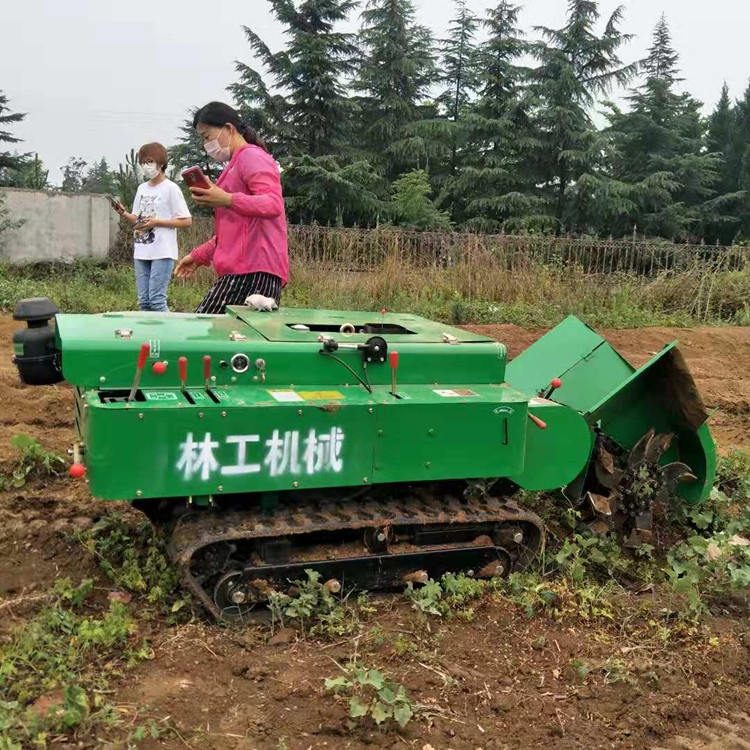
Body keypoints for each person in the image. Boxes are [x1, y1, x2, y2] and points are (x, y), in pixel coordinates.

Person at [173, 102, 289, 314]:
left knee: (208, 332)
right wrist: (199, 256)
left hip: (253, 271)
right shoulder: (236, 164)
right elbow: (234, 231)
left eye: (207, 137)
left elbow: (273, 203)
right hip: (245, 270)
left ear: (229, 128)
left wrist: (226, 199)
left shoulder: (251, 156)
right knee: (229, 341)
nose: (205, 144)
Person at [112, 143, 192, 312]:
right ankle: (147, 338)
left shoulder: (171, 188)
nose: (145, 166)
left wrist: (158, 222)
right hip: (142, 250)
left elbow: (186, 220)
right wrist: (124, 213)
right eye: (142, 163)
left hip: (163, 251)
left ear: (161, 163)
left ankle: (168, 336)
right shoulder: (142, 188)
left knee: (156, 300)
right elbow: (137, 219)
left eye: (149, 161)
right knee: (144, 302)